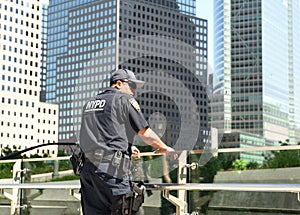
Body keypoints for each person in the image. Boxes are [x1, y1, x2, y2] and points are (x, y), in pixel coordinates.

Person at [79, 68, 174, 215]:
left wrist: (128, 148)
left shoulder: (90, 103)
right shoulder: (123, 99)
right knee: (126, 209)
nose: (134, 91)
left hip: (88, 170)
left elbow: (102, 133)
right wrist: (164, 147)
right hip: (111, 170)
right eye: (132, 86)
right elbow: (145, 132)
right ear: (118, 83)